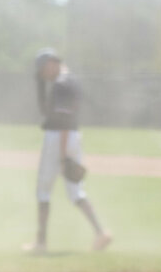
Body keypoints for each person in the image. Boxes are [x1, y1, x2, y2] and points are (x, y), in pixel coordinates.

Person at [24, 48, 112, 254]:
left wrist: (63, 158)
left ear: (50, 64)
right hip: (73, 136)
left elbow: (62, 120)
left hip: (59, 137)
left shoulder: (61, 84)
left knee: (43, 190)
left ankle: (40, 243)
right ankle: (101, 233)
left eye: (42, 70)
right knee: (76, 191)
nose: (42, 74)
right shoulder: (70, 80)